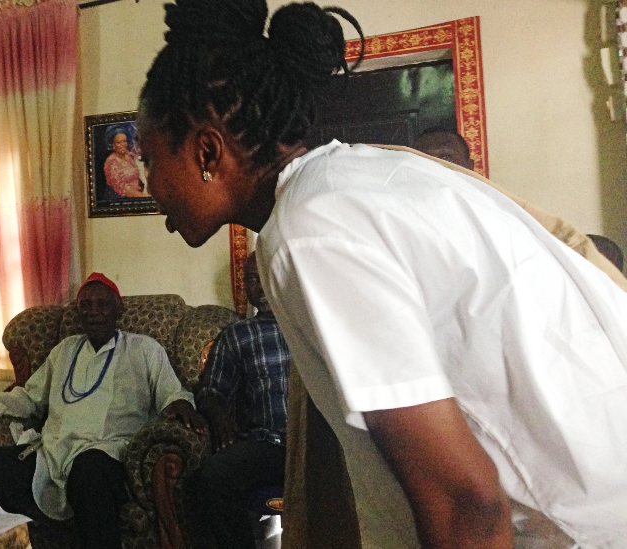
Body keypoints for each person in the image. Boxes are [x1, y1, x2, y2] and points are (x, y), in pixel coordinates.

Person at [136, 1, 627, 547]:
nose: (150, 188)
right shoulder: (352, 180)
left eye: (150, 160)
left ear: (207, 150)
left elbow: (466, 501)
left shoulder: (311, 229)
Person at [0, 273, 203, 549]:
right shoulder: (65, 349)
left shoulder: (144, 349)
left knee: (88, 471)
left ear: (118, 310)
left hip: (109, 453)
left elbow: (172, 392)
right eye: (86, 306)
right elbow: (30, 396)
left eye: (102, 305)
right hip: (54, 452)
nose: (93, 312)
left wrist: (180, 402)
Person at [190, 252, 289, 549]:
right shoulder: (237, 335)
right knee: (211, 478)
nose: (257, 285)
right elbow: (211, 392)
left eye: (263, 275)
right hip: (268, 444)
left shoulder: (312, 325)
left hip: (319, 442)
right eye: (250, 278)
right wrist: (220, 418)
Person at [104, 129, 148, 197]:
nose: (123, 145)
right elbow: (122, 189)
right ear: (113, 145)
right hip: (127, 198)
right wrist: (144, 196)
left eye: (124, 141)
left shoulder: (129, 155)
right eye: (119, 142)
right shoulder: (111, 162)